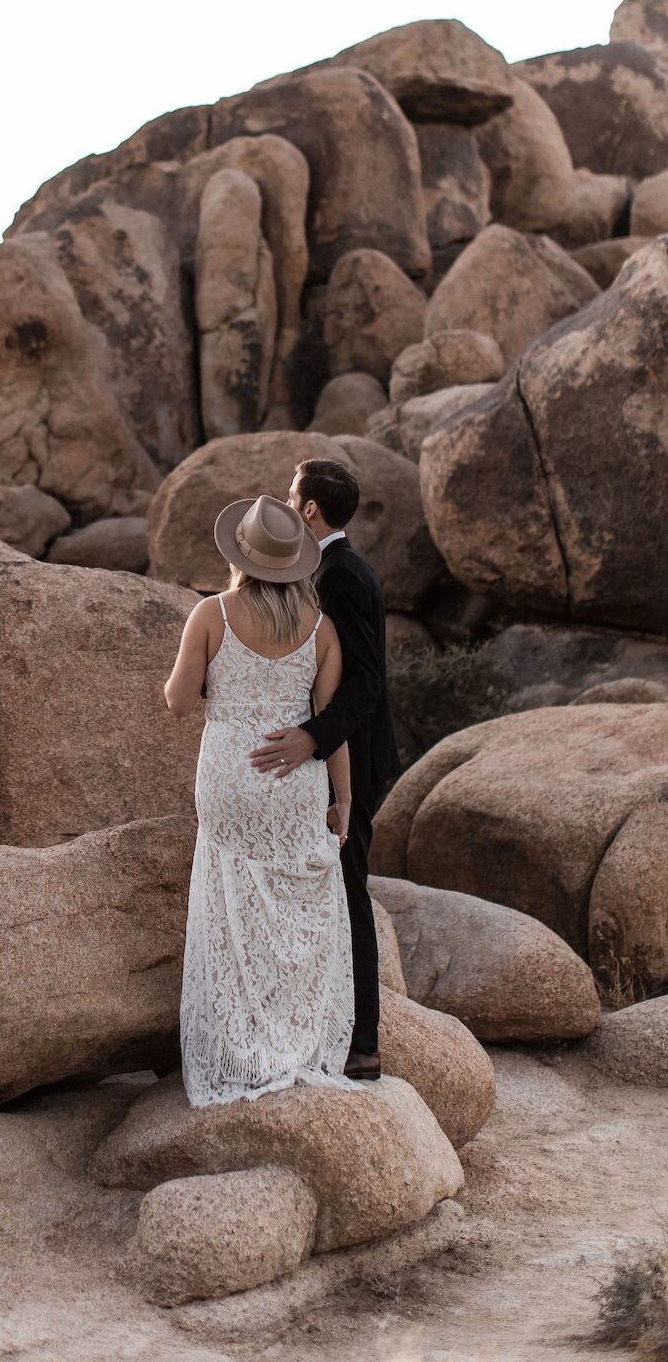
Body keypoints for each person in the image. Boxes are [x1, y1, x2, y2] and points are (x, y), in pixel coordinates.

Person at [164, 493, 358, 1105]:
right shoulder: (322, 628)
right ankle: (293, 1042)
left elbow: (177, 701)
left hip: (229, 776)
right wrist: (344, 798)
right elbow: (331, 722)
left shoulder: (211, 614)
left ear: (239, 555)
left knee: (230, 907)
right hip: (295, 778)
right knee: (296, 910)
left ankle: (238, 1049)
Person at [250, 458, 401, 1081]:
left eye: (292, 496)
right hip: (349, 756)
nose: (288, 504)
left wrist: (311, 739)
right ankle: (323, 1024)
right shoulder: (336, 567)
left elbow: (362, 685)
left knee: (348, 894)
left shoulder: (339, 575)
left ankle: (362, 1043)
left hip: (353, 762)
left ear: (310, 510)